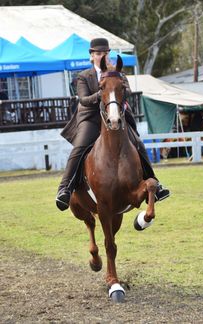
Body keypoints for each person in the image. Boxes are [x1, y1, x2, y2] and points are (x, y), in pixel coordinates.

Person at [56, 38, 170, 211]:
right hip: (92, 118)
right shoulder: (84, 76)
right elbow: (84, 99)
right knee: (79, 147)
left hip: (117, 116)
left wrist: (116, 92)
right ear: (92, 56)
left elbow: (128, 92)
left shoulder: (118, 73)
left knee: (138, 143)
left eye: (105, 53)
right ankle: (65, 188)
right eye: (98, 53)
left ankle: (155, 185)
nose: (102, 56)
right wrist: (102, 94)